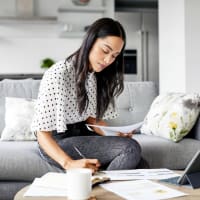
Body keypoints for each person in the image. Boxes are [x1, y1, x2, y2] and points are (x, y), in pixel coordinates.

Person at [31, 18, 141, 173]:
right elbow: (41, 132)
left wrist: (115, 134)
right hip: (56, 144)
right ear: (90, 41)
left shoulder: (96, 75)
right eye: (105, 51)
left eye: (115, 56)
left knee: (142, 164)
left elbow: (91, 119)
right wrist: (69, 163)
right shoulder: (59, 73)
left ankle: (102, 189)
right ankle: (102, 190)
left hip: (82, 134)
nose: (108, 60)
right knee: (130, 149)